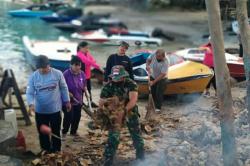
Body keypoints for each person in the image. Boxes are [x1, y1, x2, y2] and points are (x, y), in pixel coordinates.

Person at [99, 65, 144, 166]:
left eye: (118, 77)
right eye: (114, 77)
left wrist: (124, 111)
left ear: (123, 76)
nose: (115, 79)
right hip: (115, 114)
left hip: (130, 112)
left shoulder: (131, 84)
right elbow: (101, 102)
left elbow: (133, 100)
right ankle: (108, 160)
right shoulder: (108, 86)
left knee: (136, 136)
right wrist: (102, 111)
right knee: (113, 137)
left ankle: (141, 158)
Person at [26, 55, 71, 153]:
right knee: (43, 133)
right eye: (40, 68)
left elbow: (64, 88)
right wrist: (31, 104)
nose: (43, 70)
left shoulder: (58, 74)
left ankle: (56, 150)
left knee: (56, 131)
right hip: (40, 111)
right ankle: (45, 149)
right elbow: (29, 93)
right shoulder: (33, 76)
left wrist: (67, 101)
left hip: (55, 110)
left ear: (49, 65)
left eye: (44, 67)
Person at [62, 56, 86, 137]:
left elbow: (84, 85)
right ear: (71, 65)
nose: (78, 67)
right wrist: (67, 92)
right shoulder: (65, 74)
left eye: (79, 65)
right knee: (69, 116)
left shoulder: (82, 73)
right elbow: (61, 87)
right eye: (76, 65)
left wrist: (86, 91)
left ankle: (73, 131)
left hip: (78, 99)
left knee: (77, 116)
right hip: (68, 100)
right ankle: (64, 131)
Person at [77, 41, 102, 107]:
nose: (87, 50)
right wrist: (98, 67)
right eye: (85, 48)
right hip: (80, 76)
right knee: (81, 90)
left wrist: (93, 63)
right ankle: (80, 102)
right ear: (80, 48)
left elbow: (93, 60)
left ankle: (90, 102)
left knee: (89, 89)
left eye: (88, 48)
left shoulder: (87, 53)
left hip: (87, 75)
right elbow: (88, 62)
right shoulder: (79, 55)